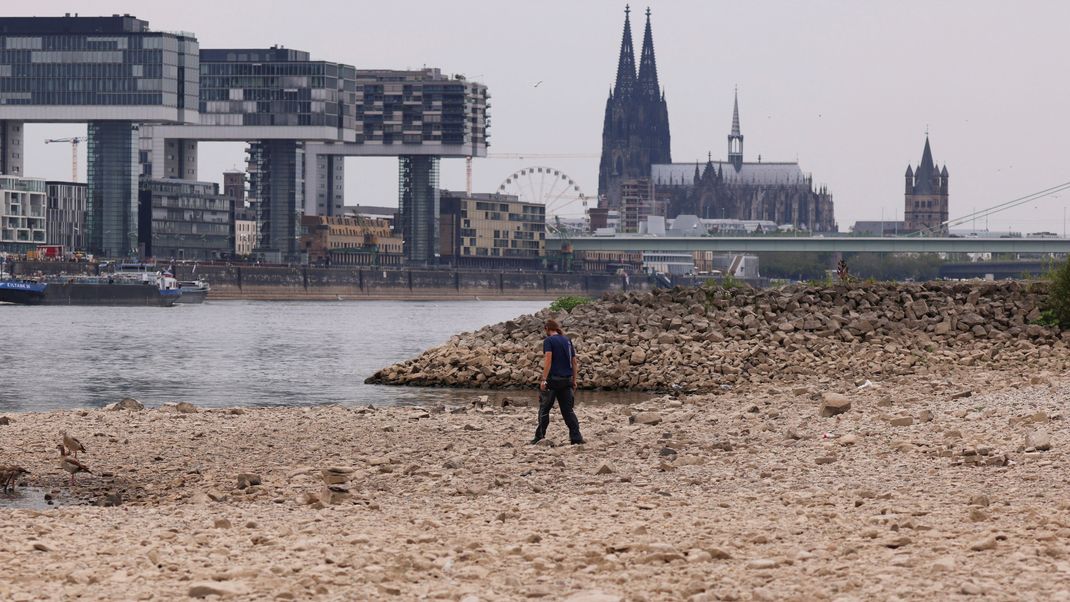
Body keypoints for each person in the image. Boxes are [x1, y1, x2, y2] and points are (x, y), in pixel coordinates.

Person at [532, 319, 584, 445]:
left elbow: (548, 359)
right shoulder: (567, 340)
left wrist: (544, 379)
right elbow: (574, 362)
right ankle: (576, 437)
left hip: (553, 380)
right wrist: (574, 380)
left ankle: (540, 436)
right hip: (567, 380)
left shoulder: (548, 341)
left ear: (547, 329)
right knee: (568, 411)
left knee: (544, 409)